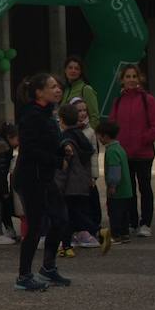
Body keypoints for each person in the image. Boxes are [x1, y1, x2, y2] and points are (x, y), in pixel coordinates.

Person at [13, 73, 75, 292]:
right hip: (31, 178)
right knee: (36, 225)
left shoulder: (49, 114)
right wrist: (58, 160)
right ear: (39, 92)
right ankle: (24, 275)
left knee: (60, 220)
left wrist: (64, 145)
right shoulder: (31, 115)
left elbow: (53, 140)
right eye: (52, 87)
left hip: (45, 177)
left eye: (58, 86)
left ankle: (48, 268)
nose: (57, 89)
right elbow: (30, 150)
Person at [110, 64, 155, 238]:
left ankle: (145, 223)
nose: (131, 79)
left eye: (134, 76)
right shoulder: (118, 102)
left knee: (145, 188)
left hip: (144, 154)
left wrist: (143, 140)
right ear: (122, 80)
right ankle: (132, 221)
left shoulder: (148, 100)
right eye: (128, 76)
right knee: (128, 189)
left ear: (140, 79)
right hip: (124, 155)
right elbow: (112, 126)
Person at [61, 100, 100, 251]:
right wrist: (90, 176)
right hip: (82, 180)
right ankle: (75, 237)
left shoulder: (66, 137)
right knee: (77, 210)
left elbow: (65, 163)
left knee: (71, 212)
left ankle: (93, 231)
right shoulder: (81, 135)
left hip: (70, 182)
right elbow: (91, 156)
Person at [97, 118, 131, 244]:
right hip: (126, 190)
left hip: (117, 190)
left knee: (115, 213)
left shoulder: (111, 151)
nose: (99, 139)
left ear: (105, 136)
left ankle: (116, 235)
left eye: (99, 136)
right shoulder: (120, 148)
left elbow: (114, 170)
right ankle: (125, 234)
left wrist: (112, 185)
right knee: (124, 214)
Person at [62, 56, 100, 129]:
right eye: (70, 68)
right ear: (65, 70)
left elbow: (94, 117)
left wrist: (87, 135)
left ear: (80, 72)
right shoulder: (65, 90)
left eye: (77, 68)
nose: (73, 71)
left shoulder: (86, 89)